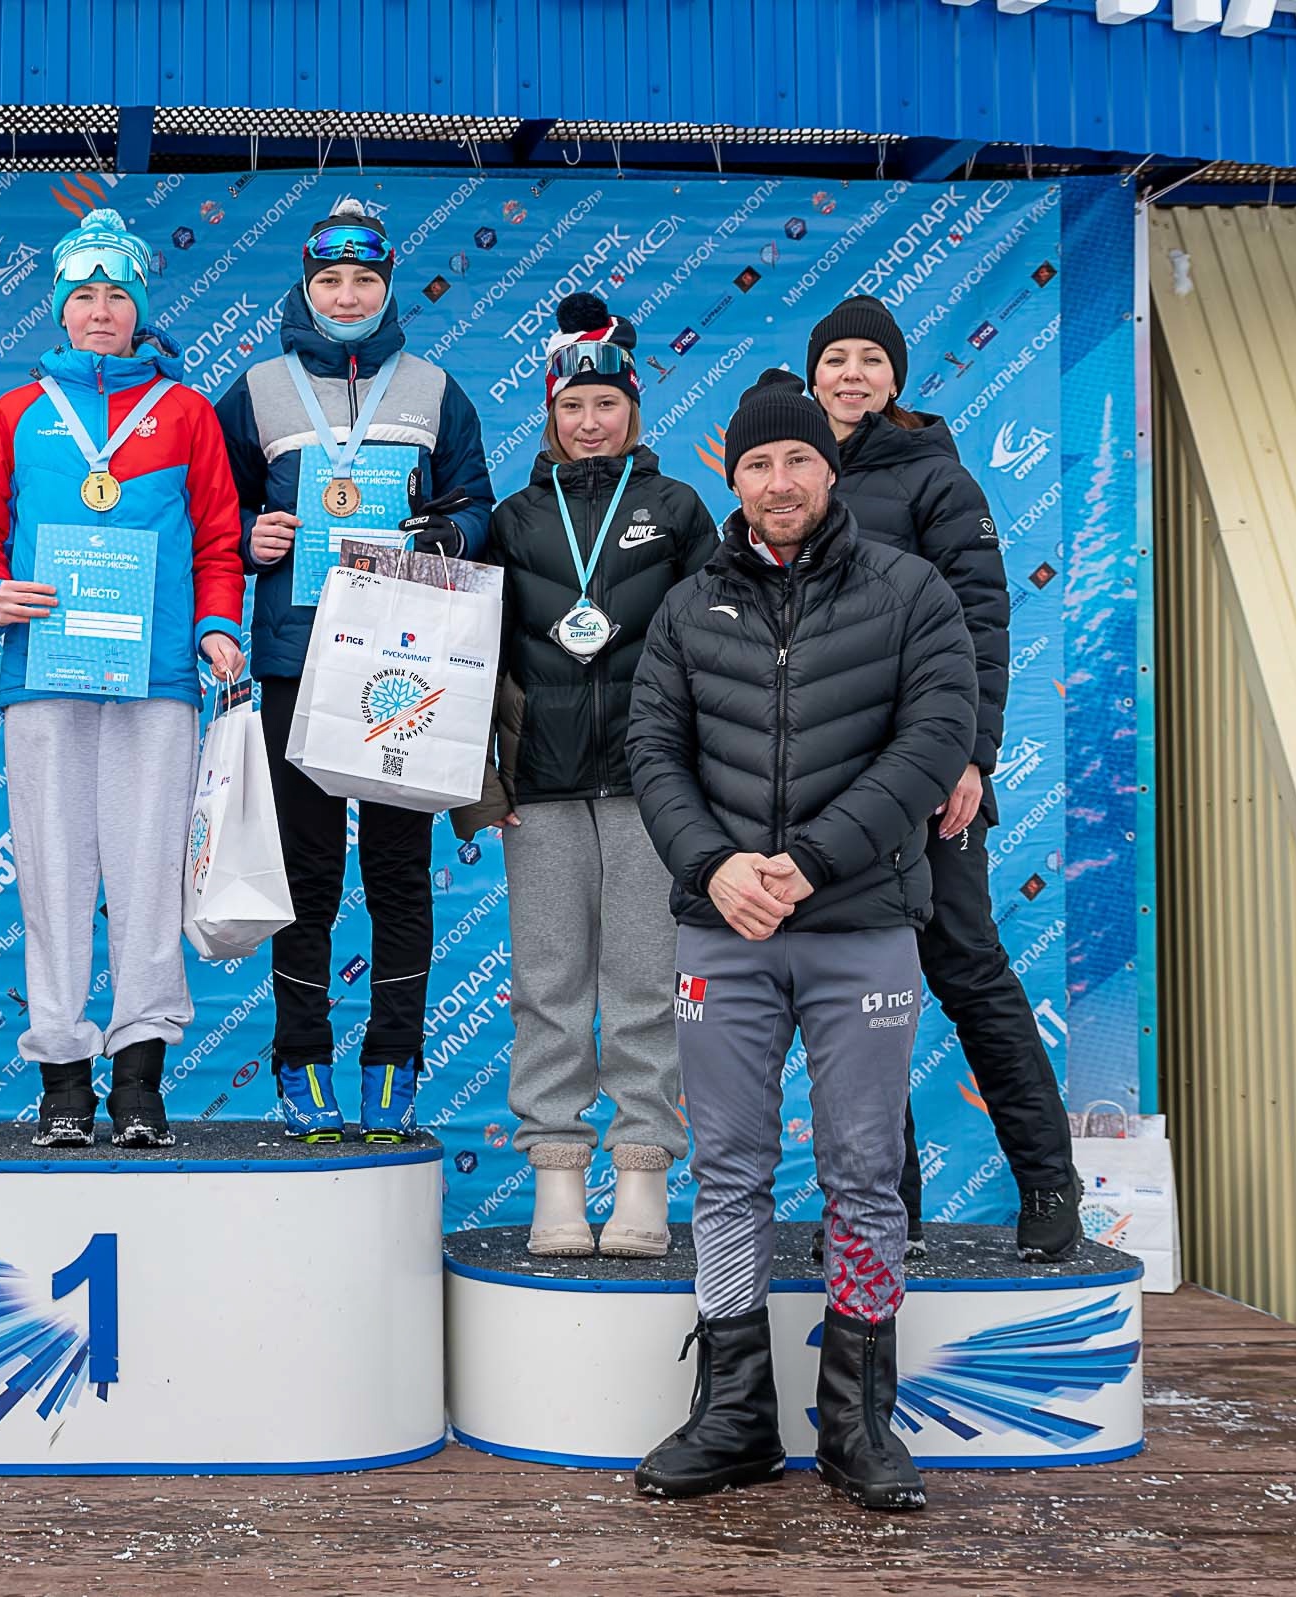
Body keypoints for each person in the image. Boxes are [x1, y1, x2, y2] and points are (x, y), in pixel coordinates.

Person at [625, 371, 976, 1512]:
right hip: (722, 928)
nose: (779, 482)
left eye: (797, 460)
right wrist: (715, 867)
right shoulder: (689, 605)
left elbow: (934, 740)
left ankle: (857, 1420)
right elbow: (653, 751)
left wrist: (812, 861)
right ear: (734, 479)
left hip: (859, 925)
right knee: (728, 1172)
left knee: (863, 1176)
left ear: (830, 468)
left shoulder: (912, 591)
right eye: (757, 465)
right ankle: (733, 1415)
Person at [0, 208, 246, 1148]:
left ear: (139, 309)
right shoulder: (20, 411)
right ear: (60, 311)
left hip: (157, 679)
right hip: (47, 673)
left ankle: (139, 1082)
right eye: (84, 295)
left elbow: (220, 538)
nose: (102, 310)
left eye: (118, 294)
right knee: (52, 874)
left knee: (149, 874)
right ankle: (64, 1084)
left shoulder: (187, 412)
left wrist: (216, 625)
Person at [212, 198, 493, 1142]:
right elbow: (216, 512)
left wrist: (451, 534)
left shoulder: (434, 389)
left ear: (387, 287)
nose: (346, 296)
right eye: (329, 280)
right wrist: (249, 536)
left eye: (363, 280)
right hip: (298, 658)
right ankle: (301, 1058)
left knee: (400, 870)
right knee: (307, 871)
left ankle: (395, 1057)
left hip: (402, 656)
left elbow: (474, 500)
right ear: (305, 287)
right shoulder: (259, 390)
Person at [807, 293, 1080, 1261]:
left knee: (966, 968)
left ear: (896, 377)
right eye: (836, 357)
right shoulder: (788, 474)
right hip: (828, 786)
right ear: (813, 372)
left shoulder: (937, 476)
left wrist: (970, 757)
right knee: (856, 992)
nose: (852, 374)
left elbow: (980, 628)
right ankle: (888, 1205)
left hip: (930, 778)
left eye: (870, 359)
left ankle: (1049, 1183)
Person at [459, 292, 714, 1255]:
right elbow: (471, 656)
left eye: (607, 403)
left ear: (634, 409)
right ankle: (558, 1183)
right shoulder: (514, 518)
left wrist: (706, 786)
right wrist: (486, 788)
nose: (591, 421)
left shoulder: (677, 510)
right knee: (549, 987)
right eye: (573, 406)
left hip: (655, 791)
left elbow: (718, 653)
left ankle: (643, 1176)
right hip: (544, 789)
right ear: (551, 414)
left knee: (648, 984)